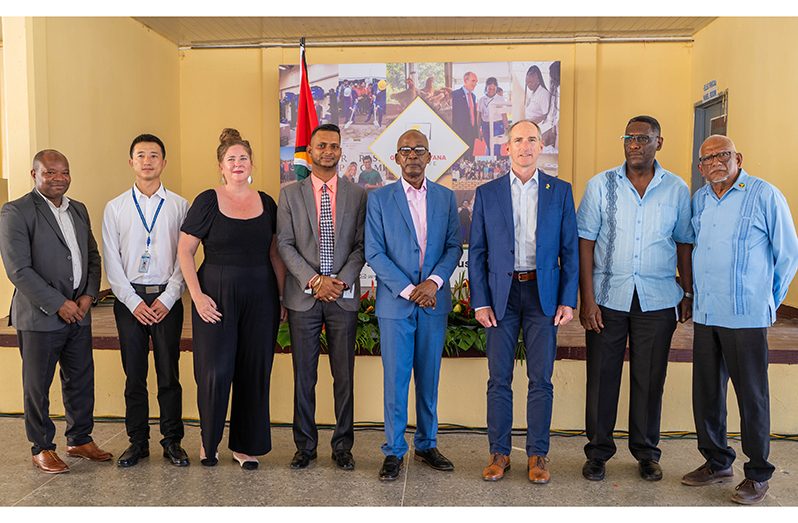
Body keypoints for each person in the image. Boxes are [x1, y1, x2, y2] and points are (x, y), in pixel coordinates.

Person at [682, 135, 798, 505]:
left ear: (738, 158)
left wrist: (767, 300)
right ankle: (717, 461)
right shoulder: (699, 199)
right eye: (707, 158)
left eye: (723, 155)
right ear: (700, 168)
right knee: (707, 394)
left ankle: (758, 473)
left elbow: (787, 256)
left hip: (746, 315)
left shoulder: (764, 195)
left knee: (751, 396)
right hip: (707, 313)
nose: (715, 162)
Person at [576, 116, 694, 483]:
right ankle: (597, 452)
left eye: (643, 137)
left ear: (659, 142)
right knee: (601, 377)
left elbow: (684, 243)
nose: (634, 143)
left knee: (649, 378)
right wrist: (588, 300)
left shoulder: (676, 189)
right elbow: (585, 243)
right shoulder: (600, 185)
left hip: (657, 300)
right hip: (608, 298)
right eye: (629, 136)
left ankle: (646, 453)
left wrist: (688, 291)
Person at [468, 120, 578, 484]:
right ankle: (499, 453)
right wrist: (480, 301)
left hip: (542, 295)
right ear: (507, 147)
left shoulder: (559, 191)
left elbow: (569, 250)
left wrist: (567, 298)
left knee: (541, 379)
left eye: (532, 139)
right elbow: (478, 252)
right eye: (518, 140)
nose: (525, 146)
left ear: (541, 145)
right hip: (501, 296)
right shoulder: (488, 193)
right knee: (498, 378)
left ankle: (537, 455)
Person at [177, 128, 287, 470]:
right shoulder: (207, 200)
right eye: (231, 159)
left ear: (251, 163)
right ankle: (208, 443)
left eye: (243, 158)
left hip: (261, 296)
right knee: (215, 370)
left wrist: (281, 297)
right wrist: (196, 297)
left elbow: (274, 255)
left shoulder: (267, 202)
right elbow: (185, 250)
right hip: (215, 296)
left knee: (254, 371)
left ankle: (245, 446)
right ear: (221, 167)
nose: (237, 164)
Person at [0, 149, 112, 473]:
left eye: (63, 172)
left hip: (79, 312)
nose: (58, 178)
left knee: (80, 379)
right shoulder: (16, 211)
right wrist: (58, 303)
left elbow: (92, 257)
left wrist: (89, 296)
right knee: (37, 385)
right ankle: (42, 446)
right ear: (34, 174)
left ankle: (79, 438)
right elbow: (18, 270)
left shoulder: (78, 209)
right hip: (39, 317)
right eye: (49, 172)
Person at [365, 129, 462, 481]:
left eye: (419, 149)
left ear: (429, 156)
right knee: (396, 379)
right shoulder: (378, 200)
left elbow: (453, 246)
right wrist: (410, 289)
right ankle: (393, 450)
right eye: (405, 150)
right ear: (396, 158)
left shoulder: (445, 198)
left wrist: (432, 283)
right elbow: (374, 251)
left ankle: (426, 444)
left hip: (433, 302)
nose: (412, 155)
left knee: (428, 377)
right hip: (396, 305)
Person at [277, 123, 367, 471]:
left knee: (343, 376)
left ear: (341, 151)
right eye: (321, 146)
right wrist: (315, 280)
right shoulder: (290, 194)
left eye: (334, 146)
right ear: (309, 152)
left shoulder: (357, 194)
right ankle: (305, 445)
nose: (327, 151)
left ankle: (343, 445)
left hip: (342, 298)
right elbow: (284, 244)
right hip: (304, 297)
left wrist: (339, 282)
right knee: (305, 375)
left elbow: (362, 246)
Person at [102, 134, 190, 468]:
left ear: (164, 162)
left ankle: (172, 441)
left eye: (154, 155)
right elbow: (112, 260)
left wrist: (169, 297)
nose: (148, 161)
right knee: (134, 375)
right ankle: (137, 442)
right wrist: (131, 301)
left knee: (169, 373)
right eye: (141, 155)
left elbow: (186, 258)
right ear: (131, 162)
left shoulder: (180, 206)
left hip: (167, 299)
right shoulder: (116, 207)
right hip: (129, 303)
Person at [451, 71, 480, 160]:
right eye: (473, 81)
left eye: (476, 82)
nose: (475, 84)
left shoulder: (474, 96)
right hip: (460, 133)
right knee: (460, 159)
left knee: (471, 158)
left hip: (471, 132)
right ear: (465, 80)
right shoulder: (455, 95)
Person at [478, 77, 509, 157]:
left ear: (496, 88)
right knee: (489, 147)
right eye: (489, 88)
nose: (491, 90)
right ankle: (492, 163)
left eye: (493, 89)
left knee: (495, 147)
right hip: (485, 125)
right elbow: (479, 116)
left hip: (497, 125)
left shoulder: (500, 99)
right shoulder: (482, 100)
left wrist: (507, 128)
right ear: (486, 87)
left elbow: (504, 115)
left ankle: (497, 165)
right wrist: (478, 129)